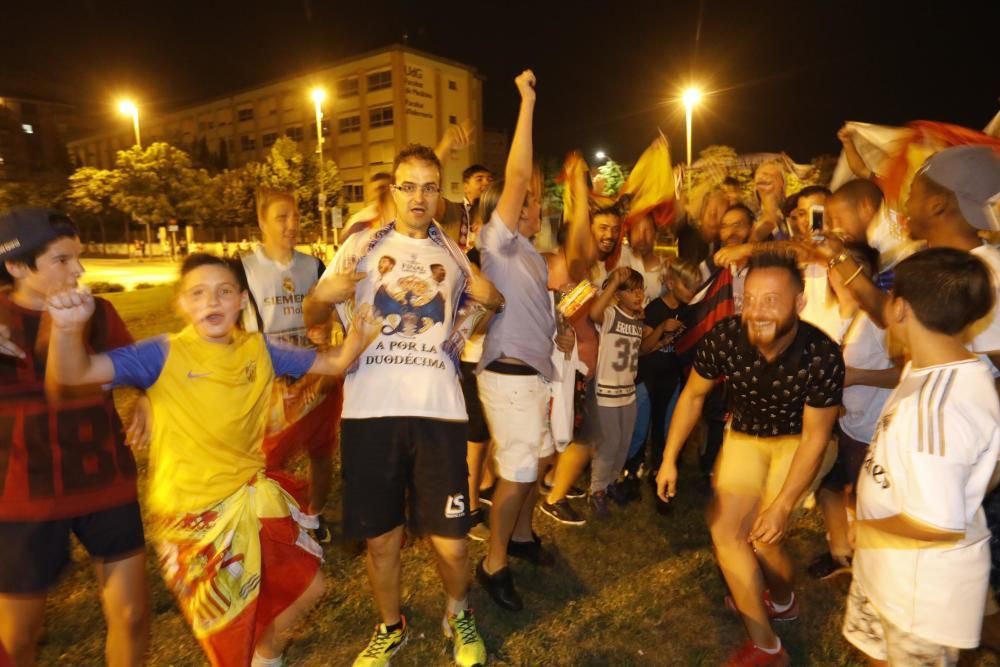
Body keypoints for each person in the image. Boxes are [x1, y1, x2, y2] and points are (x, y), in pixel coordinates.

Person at [45, 252, 378, 667]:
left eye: (223, 292)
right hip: (193, 519)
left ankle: (266, 656)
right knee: (228, 629)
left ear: (241, 299)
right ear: (181, 304)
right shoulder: (160, 354)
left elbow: (333, 363)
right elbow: (74, 374)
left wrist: (359, 336)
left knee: (309, 587)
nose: (212, 302)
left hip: (250, 501)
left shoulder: (262, 350)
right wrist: (65, 329)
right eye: (198, 294)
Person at [312, 142, 501, 666]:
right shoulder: (361, 246)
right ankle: (390, 627)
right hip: (370, 413)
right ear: (393, 191)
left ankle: (457, 612)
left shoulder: (455, 255)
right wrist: (330, 294)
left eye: (430, 186)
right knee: (381, 541)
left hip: (439, 413)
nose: (419, 196)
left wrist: (476, 313)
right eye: (409, 185)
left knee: (454, 542)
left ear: (441, 194)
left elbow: (490, 305)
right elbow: (314, 305)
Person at [657, 251, 844, 666]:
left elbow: (817, 438)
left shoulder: (822, 354)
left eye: (771, 300)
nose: (757, 311)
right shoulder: (725, 337)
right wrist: (669, 458)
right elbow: (692, 396)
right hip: (744, 436)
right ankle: (766, 646)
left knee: (763, 537)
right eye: (751, 299)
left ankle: (781, 598)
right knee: (727, 531)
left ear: (798, 303)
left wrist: (780, 506)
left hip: (799, 444)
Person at [0, 208, 149, 667]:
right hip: (24, 495)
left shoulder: (99, 313)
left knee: (133, 616)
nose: (79, 270)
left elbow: (137, 365)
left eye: (78, 258)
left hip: (105, 480)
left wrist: (147, 396)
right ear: (18, 267)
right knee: (19, 639)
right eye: (62, 260)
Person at [844, 248, 999, 666]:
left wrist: (866, 530)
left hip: (918, 598)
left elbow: (937, 523)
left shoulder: (937, 408)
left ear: (900, 308)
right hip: (888, 573)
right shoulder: (952, 368)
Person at [475, 70, 570, 612]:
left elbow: (530, 305)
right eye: (529, 201)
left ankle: (524, 536)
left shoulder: (529, 255)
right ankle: (493, 564)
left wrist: (551, 326)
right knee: (517, 471)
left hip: (531, 373)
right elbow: (513, 178)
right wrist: (527, 103)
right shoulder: (501, 242)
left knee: (539, 457)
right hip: (508, 376)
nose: (535, 206)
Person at [240, 187, 345, 543]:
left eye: (295, 216)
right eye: (281, 217)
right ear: (261, 221)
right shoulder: (244, 269)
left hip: (314, 376)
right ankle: (271, 523)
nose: (291, 225)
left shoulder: (312, 265)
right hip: (272, 382)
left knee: (321, 450)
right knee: (268, 461)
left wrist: (326, 335)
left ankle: (314, 519)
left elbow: (328, 313)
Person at [587, 267, 645, 517]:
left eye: (640, 289)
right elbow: (594, 312)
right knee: (609, 444)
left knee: (623, 443)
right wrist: (613, 284)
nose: (638, 294)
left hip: (628, 390)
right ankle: (597, 489)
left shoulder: (637, 319)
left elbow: (639, 351)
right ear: (618, 295)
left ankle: (611, 482)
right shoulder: (611, 314)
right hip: (608, 391)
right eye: (631, 290)